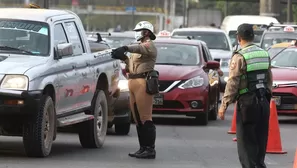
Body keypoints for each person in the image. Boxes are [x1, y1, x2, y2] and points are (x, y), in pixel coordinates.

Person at [218, 23, 273, 168]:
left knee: (247, 146)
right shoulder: (264, 53)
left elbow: (232, 83)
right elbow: (269, 79)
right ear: (253, 36)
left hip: (247, 105)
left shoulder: (239, 56)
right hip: (264, 103)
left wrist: (224, 105)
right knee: (261, 142)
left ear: (238, 37)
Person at [111, 21, 158, 159]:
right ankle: (143, 147)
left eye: (140, 30)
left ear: (147, 32)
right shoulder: (138, 47)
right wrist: (124, 58)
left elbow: (140, 49)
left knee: (145, 117)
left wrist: (125, 47)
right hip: (133, 82)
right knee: (137, 118)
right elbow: (132, 64)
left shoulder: (149, 45)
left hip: (143, 82)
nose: (137, 33)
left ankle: (150, 149)